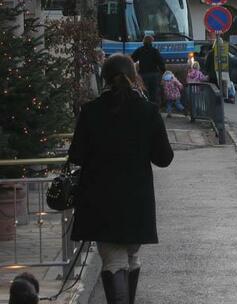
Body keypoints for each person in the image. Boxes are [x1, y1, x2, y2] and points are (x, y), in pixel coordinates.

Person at [68, 54, 173, 304]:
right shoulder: (147, 110)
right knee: (132, 257)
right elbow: (164, 158)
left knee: (113, 260)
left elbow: (77, 156)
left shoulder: (91, 111)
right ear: (134, 77)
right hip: (136, 200)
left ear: (104, 78)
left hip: (100, 199)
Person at [131, 36, 165, 104]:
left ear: (143, 41)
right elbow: (161, 62)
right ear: (151, 42)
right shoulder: (155, 51)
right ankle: (154, 109)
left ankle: (145, 108)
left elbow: (132, 59)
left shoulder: (139, 50)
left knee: (144, 92)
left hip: (143, 74)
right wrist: (163, 71)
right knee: (154, 93)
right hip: (154, 75)